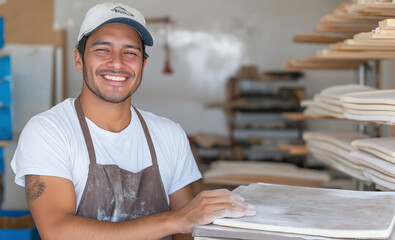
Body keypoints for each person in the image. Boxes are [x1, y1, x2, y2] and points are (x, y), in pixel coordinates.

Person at [11, 2, 255, 239]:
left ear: (143, 65)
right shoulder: (49, 131)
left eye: (130, 52)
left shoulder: (169, 135)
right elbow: (58, 232)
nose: (117, 62)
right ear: (79, 59)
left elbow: (186, 232)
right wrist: (175, 219)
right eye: (102, 49)